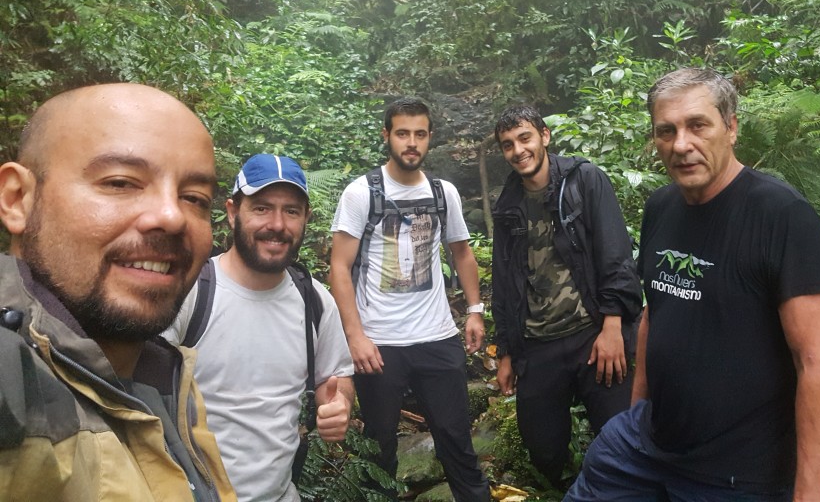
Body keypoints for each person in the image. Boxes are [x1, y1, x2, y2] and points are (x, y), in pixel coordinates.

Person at [565, 68, 820, 502]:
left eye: (697, 125)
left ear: (730, 127)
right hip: (645, 445)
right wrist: (638, 413)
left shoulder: (782, 214)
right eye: (666, 131)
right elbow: (656, 313)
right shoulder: (661, 206)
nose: (681, 145)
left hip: (737, 471)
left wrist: (811, 493)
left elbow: (818, 363)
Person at [0, 83, 236, 501]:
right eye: (121, 183)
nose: (172, 215)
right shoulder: (13, 377)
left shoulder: (166, 376)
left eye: (194, 198)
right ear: (18, 199)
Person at [162, 154, 355, 502]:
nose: (278, 224)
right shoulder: (190, 291)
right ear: (233, 211)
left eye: (292, 211)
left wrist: (339, 403)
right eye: (262, 208)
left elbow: (335, 377)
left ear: (306, 218)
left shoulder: (313, 300)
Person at [329, 97, 490, 502]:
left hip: (436, 336)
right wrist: (356, 337)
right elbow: (339, 268)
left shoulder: (443, 192)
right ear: (387, 136)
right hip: (379, 343)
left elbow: (462, 253)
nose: (411, 143)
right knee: (380, 447)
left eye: (420, 134)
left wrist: (474, 311)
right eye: (403, 133)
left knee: (457, 440)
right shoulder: (361, 192)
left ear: (429, 137)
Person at [490, 105, 642, 486]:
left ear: (544, 135)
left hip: (593, 333)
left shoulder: (584, 179)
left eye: (524, 138)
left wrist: (613, 327)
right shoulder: (508, 202)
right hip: (538, 344)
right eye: (508, 145)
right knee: (542, 448)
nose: (518, 150)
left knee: (620, 435)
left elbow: (615, 254)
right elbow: (506, 278)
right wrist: (506, 351)